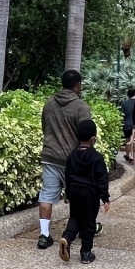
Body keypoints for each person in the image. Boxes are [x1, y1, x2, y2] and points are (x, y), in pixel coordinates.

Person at [38, 69, 91, 249]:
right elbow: (86, 134)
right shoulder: (81, 107)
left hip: (50, 156)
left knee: (46, 195)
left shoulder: (49, 103)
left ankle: (44, 235)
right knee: (79, 196)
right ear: (78, 85)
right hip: (73, 159)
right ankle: (82, 230)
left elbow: (44, 128)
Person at [58, 119, 111, 265]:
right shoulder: (97, 157)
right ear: (93, 139)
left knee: (75, 217)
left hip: (74, 191)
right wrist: (105, 197)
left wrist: (68, 193)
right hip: (90, 194)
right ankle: (86, 253)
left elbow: (67, 176)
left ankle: (67, 238)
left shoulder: (72, 156)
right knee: (89, 222)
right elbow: (102, 179)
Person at [120, 88, 135, 162]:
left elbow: (122, 115)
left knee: (128, 140)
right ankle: (134, 156)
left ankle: (128, 155)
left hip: (126, 124)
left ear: (128, 95)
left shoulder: (124, 104)